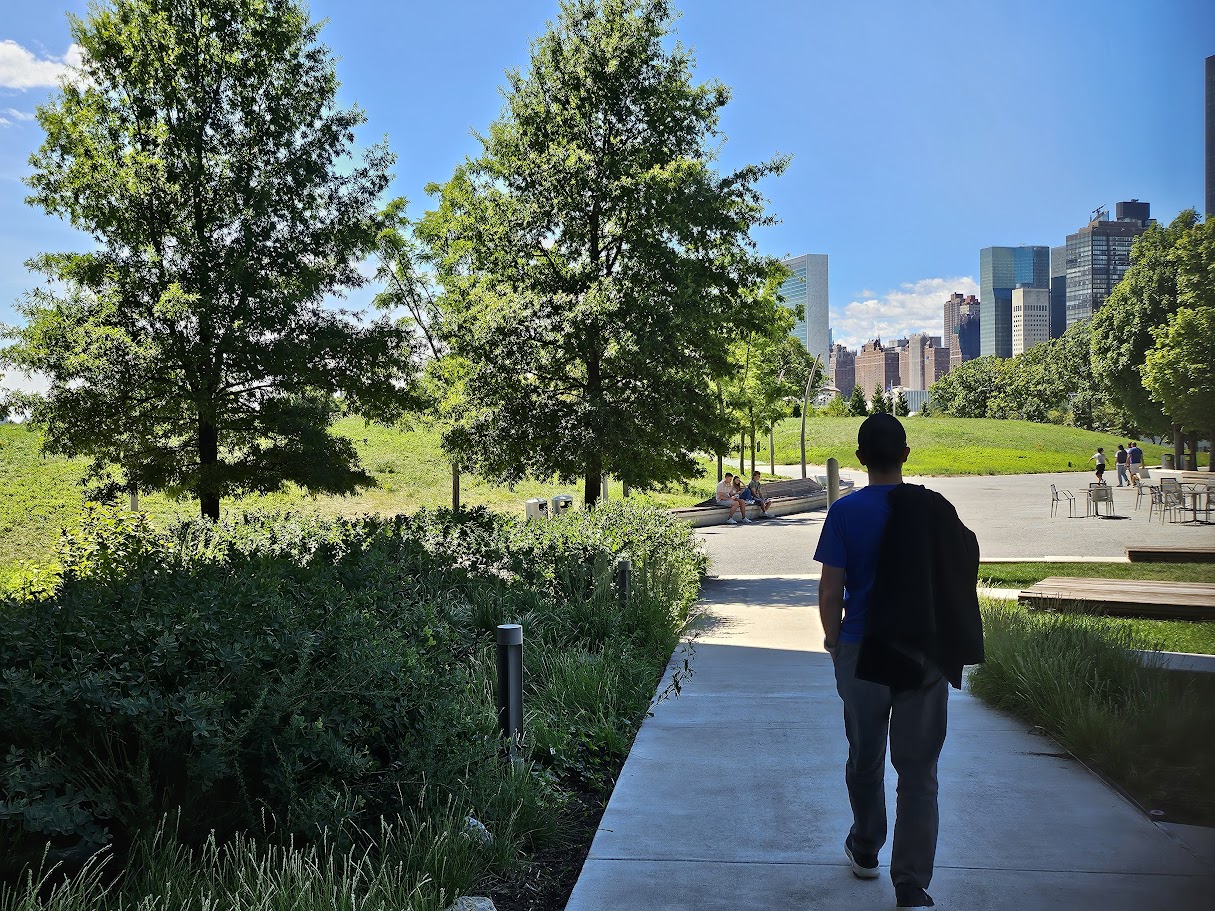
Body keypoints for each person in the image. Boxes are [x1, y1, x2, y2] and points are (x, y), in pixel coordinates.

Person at [814, 414, 983, 910]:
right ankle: (911, 883)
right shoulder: (933, 509)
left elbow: (830, 587)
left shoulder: (845, 512)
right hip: (922, 652)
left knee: (865, 758)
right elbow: (962, 564)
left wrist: (832, 639)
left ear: (861, 459)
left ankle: (865, 847)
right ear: (905, 455)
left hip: (861, 651)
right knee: (918, 771)